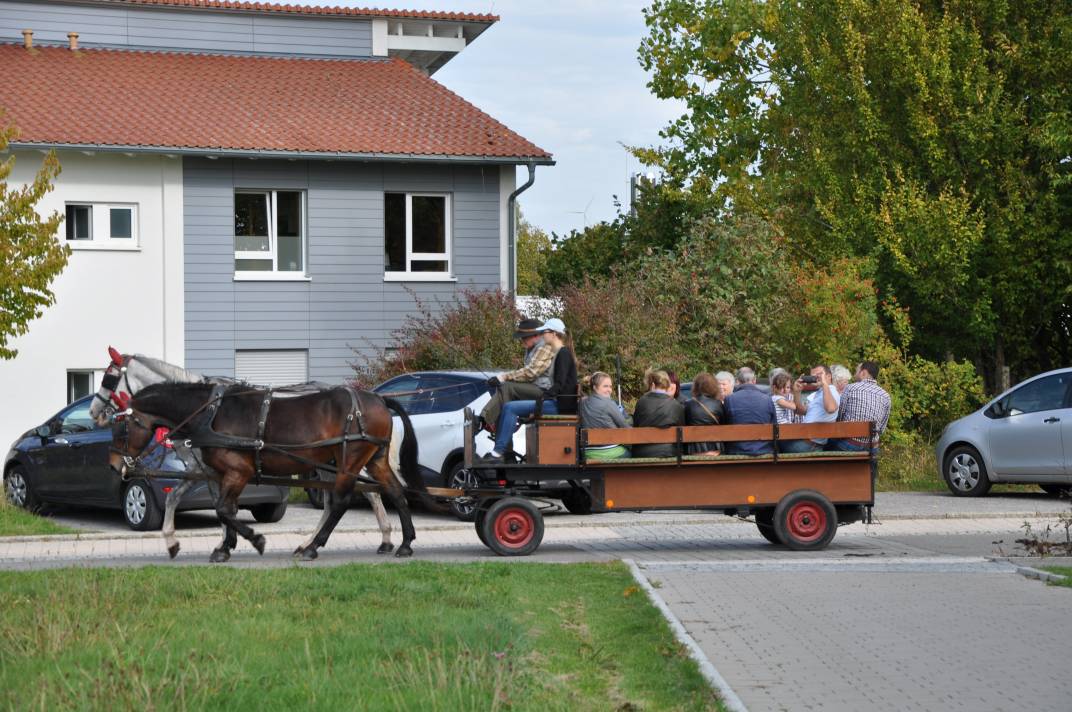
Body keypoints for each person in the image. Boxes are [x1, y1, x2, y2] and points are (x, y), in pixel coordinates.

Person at [485, 319, 575, 461]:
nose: (542, 335)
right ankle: (503, 452)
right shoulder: (559, 352)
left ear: (553, 334)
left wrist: (543, 398)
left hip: (559, 405)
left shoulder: (563, 354)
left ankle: (498, 451)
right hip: (554, 401)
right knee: (508, 406)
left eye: (544, 332)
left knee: (510, 408)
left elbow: (560, 384)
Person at [479, 317, 555, 435]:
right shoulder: (533, 347)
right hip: (536, 388)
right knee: (504, 396)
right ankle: (502, 440)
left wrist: (503, 377)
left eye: (524, 337)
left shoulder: (546, 346)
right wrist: (500, 380)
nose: (522, 340)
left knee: (507, 387)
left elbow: (531, 373)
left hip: (546, 392)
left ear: (536, 335)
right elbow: (525, 374)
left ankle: (482, 421)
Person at [781, 364, 850, 452]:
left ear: (829, 376)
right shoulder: (820, 393)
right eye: (813, 376)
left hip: (809, 444)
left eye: (819, 374)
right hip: (806, 442)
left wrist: (824, 384)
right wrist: (797, 392)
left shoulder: (831, 391)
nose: (816, 378)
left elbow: (831, 409)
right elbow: (799, 411)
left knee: (775, 444)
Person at [831, 361, 892, 452]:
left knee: (827, 443)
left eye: (856, 371)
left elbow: (840, 417)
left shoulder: (850, 388)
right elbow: (881, 428)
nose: (855, 374)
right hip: (872, 447)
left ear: (863, 373)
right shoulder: (886, 396)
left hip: (849, 443)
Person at [631, 368, 685, 458]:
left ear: (652, 385)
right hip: (670, 453)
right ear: (667, 385)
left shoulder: (641, 402)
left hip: (642, 453)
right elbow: (682, 429)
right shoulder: (676, 405)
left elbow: (636, 425)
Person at [722, 366, 776, 455]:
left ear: (737, 381)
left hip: (737, 450)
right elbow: (775, 425)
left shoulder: (729, 399)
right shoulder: (767, 399)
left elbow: (724, 426)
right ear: (754, 380)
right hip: (764, 450)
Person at [579, 371, 629, 460]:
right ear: (594, 387)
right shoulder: (609, 403)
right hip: (610, 452)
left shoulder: (581, 403)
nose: (609, 390)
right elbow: (625, 427)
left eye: (610, 386)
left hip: (587, 453)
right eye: (605, 386)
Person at [684, 372, 723, 456]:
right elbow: (724, 423)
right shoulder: (718, 404)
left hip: (694, 449)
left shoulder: (688, 404)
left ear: (696, 387)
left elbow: (685, 423)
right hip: (715, 449)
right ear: (713, 387)